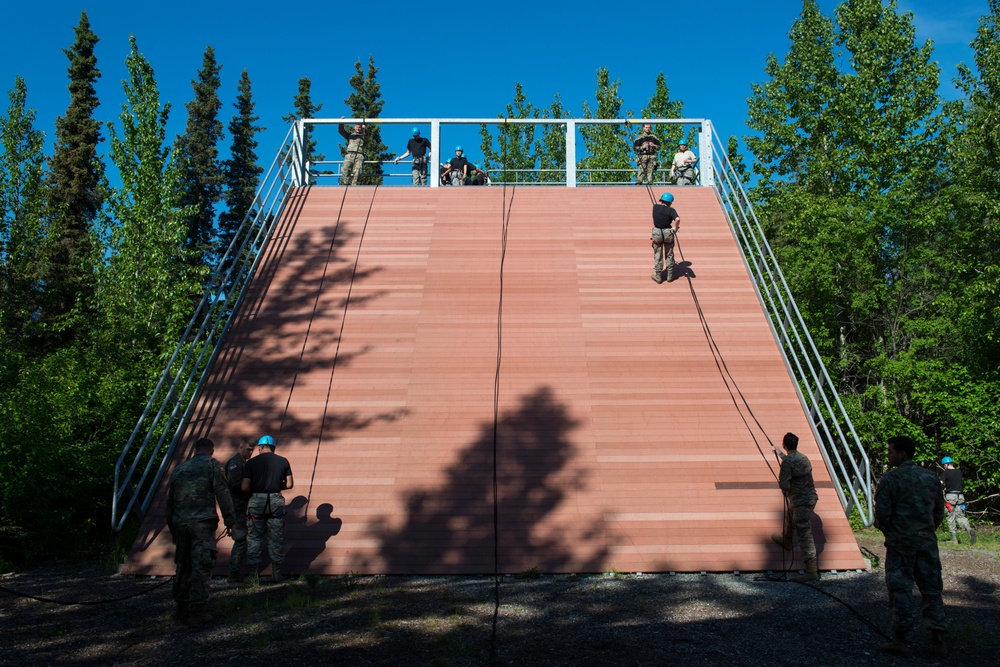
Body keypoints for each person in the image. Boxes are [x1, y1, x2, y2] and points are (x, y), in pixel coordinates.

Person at [874, 435, 948, 658]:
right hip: (926, 542)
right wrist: (925, 530)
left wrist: (891, 532)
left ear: (902, 454)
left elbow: (882, 514)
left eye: (891, 452)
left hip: (900, 544)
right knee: (932, 590)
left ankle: (901, 640)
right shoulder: (931, 478)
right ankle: (938, 640)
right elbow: (938, 513)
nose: (888, 455)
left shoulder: (890, 479)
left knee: (900, 590)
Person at [165, 437, 236, 626]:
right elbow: (222, 493)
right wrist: (230, 520)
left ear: (195, 450)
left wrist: (173, 528)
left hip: (180, 524)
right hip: (202, 525)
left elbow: (169, 502)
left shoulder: (179, 469)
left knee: (183, 565)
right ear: (211, 451)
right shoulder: (212, 465)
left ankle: (181, 607)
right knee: (201, 564)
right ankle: (198, 610)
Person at [241, 434, 294, 582]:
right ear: (273, 447)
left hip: (257, 501)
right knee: (275, 538)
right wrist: (277, 486)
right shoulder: (283, 461)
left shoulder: (251, 463)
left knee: (254, 538)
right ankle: (276, 574)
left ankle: (253, 575)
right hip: (275, 501)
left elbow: (245, 487)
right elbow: (289, 484)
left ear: (260, 447)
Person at [770, 432, 820, 582]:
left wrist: (785, 486)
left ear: (785, 445)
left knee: (804, 533)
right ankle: (786, 540)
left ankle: (812, 570)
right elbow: (793, 464)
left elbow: (784, 484)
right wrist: (778, 452)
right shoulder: (803, 458)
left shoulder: (788, 462)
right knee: (790, 518)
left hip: (800, 501)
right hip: (810, 497)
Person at [224, 437, 254, 582]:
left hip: (242, 506)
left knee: (244, 539)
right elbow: (235, 486)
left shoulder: (243, 463)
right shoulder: (236, 464)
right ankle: (234, 572)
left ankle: (236, 571)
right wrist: (250, 488)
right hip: (238, 506)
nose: (251, 453)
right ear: (240, 447)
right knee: (241, 539)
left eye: (252, 450)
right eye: (249, 449)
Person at [940, 456, 976, 545]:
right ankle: (969, 528)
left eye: (944, 465)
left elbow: (941, 483)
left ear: (946, 464)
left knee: (950, 517)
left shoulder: (946, 473)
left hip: (950, 497)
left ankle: (954, 539)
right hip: (960, 496)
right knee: (960, 516)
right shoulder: (959, 472)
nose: (944, 467)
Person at [650, 192, 680, 284]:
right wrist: (676, 228)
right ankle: (670, 275)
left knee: (658, 253)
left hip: (657, 232)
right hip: (668, 232)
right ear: (670, 202)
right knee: (669, 253)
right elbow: (677, 219)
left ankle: (658, 276)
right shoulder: (671, 210)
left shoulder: (655, 207)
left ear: (661, 200)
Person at [339, 119, 366, 185]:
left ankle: (355, 186)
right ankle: (345, 185)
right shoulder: (350, 135)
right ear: (354, 127)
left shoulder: (364, 136)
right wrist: (341, 122)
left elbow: (367, 137)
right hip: (350, 154)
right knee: (345, 169)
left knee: (358, 172)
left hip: (359, 155)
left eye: (359, 127)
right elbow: (341, 131)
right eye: (356, 126)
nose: (358, 128)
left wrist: (365, 129)